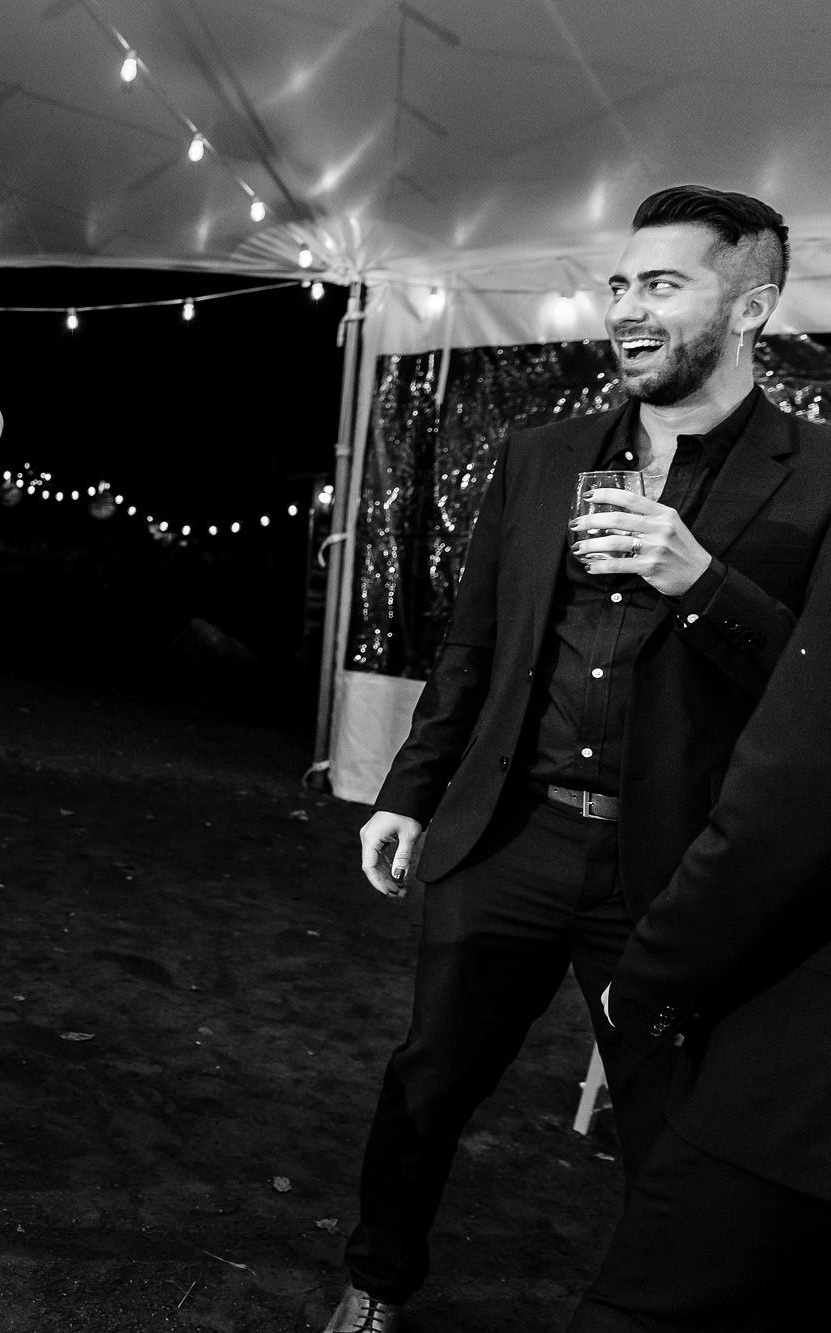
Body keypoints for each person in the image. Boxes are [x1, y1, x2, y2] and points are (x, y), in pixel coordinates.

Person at [323, 186, 831, 1333]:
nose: (625, 307)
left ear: (749, 306)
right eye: (618, 282)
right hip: (507, 836)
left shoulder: (817, 477)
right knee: (424, 1083)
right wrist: (408, 793)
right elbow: (474, 645)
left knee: (669, 1122)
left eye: (661, 284)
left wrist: (699, 582)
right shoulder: (541, 453)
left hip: (674, 867)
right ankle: (373, 1280)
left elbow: (813, 698)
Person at [563, 535, 831, 1322]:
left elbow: (794, 785)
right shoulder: (542, 458)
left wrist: (653, 974)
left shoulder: (814, 477)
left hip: (795, 1076)